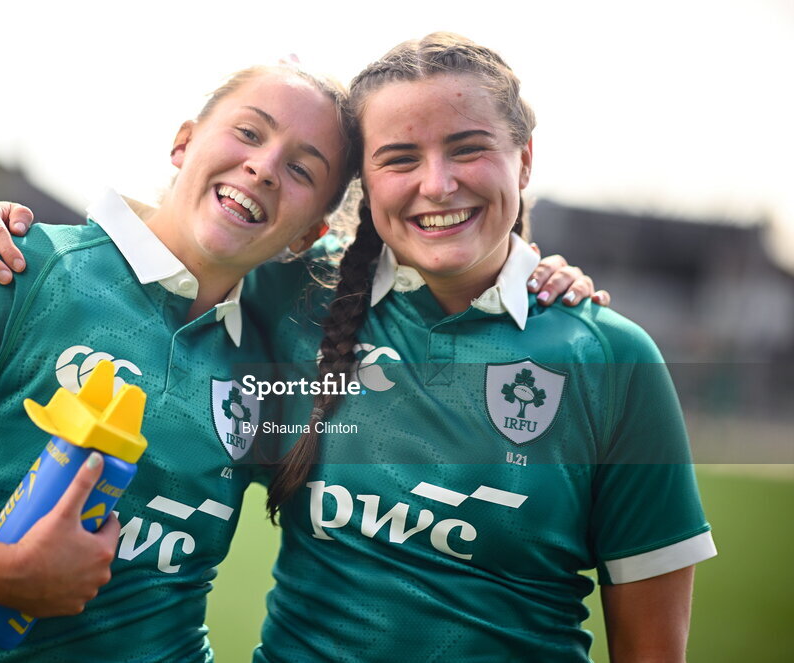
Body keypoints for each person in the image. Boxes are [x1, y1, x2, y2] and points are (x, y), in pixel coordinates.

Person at [0, 63, 361, 662]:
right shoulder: (13, 265)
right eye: (250, 133)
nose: (263, 167)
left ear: (308, 235)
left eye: (301, 168)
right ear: (184, 142)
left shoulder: (275, 359)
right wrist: (2, 575)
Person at [249, 33, 716, 662]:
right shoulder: (294, 297)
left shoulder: (611, 359)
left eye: (467, 149)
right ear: (364, 180)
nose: (438, 185)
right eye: (400, 158)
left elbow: (653, 653)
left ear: (524, 160)